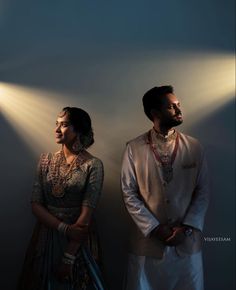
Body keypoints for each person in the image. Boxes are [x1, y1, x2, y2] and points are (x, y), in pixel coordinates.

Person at [121, 86, 210, 290]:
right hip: (147, 245)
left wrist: (186, 228)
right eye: (171, 107)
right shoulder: (133, 148)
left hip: (186, 243)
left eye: (179, 105)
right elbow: (129, 193)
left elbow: (203, 191)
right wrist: (155, 228)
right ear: (155, 113)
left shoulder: (195, 147)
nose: (179, 110)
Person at [18, 107, 105, 290]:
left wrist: (69, 257)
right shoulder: (45, 160)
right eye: (56, 124)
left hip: (78, 240)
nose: (57, 130)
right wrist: (64, 228)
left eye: (64, 125)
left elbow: (87, 212)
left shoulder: (93, 164)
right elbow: (35, 204)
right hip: (48, 233)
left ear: (79, 130)